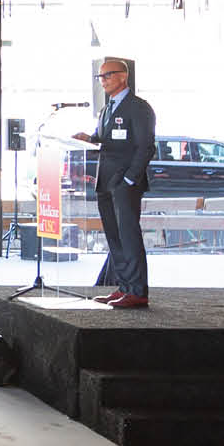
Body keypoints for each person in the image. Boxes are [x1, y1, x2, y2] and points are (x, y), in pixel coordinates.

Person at [72, 57, 157, 308]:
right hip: (105, 181)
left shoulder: (139, 108)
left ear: (123, 76)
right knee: (114, 237)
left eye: (107, 75)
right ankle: (124, 287)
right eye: (100, 77)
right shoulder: (107, 108)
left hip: (125, 183)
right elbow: (105, 138)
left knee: (129, 236)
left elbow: (146, 147)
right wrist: (89, 138)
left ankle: (138, 291)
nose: (103, 81)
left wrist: (130, 179)